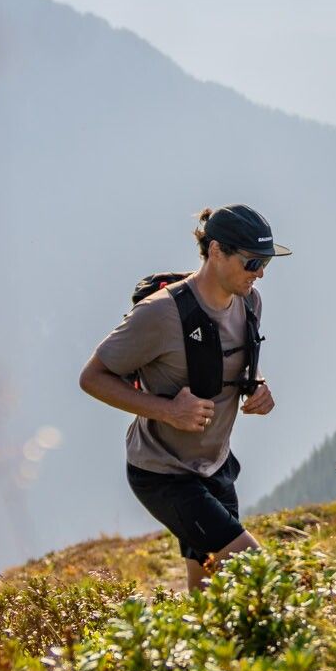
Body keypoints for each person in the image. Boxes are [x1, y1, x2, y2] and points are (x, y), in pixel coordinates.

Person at [79, 204, 287, 591]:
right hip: (164, 473)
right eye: (252, 262)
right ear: (216, 251)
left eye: (266, 263)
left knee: (208, 590)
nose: (260, 274)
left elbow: (232, 365)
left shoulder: (249, 302)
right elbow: (92, 378)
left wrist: (257, 385)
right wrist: (169, 411)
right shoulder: (160, 314)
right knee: (255, 571)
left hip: (216, 466)